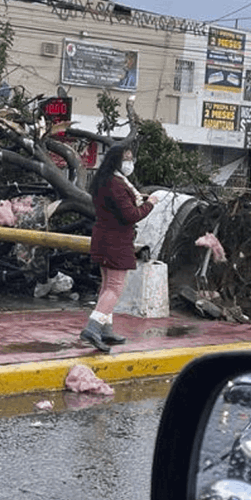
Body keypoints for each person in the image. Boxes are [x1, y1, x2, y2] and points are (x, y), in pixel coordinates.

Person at [80, 144, 160, 352]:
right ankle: (93, 327)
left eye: (131, 158)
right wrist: (150, 203)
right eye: (126, 158)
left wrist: (138, 199)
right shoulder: (116, 184)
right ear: (117, 160)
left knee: (107, 285)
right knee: (115, 287)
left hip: (103, 237)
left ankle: (106, 329)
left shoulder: (104, 181)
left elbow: (119, 206)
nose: (130, 163)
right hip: (116, 241)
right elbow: (131, 215)